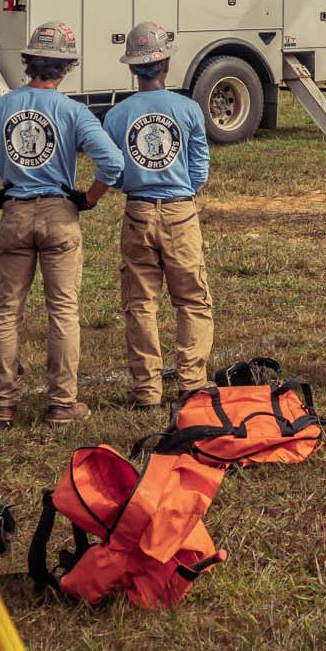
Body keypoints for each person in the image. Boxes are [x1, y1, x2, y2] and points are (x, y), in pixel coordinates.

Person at [0, 21, 125, 428]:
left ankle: (2, 405)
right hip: (61, 214)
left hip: (15, 214)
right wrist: (89, 199)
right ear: (65, 68)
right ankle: (62, 405)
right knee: (63, 311)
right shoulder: (74, 112)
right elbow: (113, 163)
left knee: (7, 311)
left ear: (29, 64)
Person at [101, 22, 213, 413]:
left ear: (134, 68)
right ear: (164, 64)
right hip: (181, 211)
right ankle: (192, 383)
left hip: (137, 211)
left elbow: (112, 171)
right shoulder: (188, 110)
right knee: (192, 300)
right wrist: (181, 192)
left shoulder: (116, 116)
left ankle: (147, 390)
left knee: (140, 303)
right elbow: (199, 169)